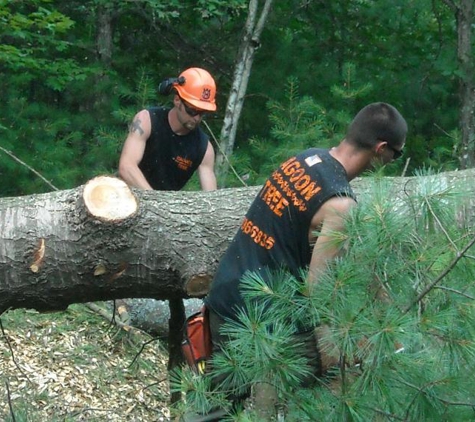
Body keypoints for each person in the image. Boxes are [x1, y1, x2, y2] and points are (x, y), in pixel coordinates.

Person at [203, 102, 408, 415]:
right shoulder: (340, 205)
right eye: (397, 154)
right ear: (381, 149)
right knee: (344, 371)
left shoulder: (307, 159)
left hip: (226, 293)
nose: (393, 160)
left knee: (215, 408)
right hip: (264, 318)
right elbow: (317, 291)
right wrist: (339, 345)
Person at [118, 67, 218, 192]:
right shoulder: (147, 120)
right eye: (192, 110)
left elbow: (211, 197)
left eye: (202, 112)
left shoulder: (204, 149)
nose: (197, 118)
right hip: (126, 199)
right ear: (177, 100)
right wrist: (154, 200)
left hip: (167, 208)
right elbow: (126, 167)